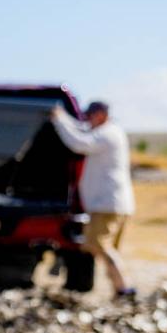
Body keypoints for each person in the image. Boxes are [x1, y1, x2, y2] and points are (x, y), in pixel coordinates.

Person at [49, 101, 136, 296]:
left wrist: (58, 120)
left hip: (107, 204)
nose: (87, 121)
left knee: (98, 245)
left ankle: (125, 287)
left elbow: (80, 143)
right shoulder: (109, 132)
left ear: (101, 115)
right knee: (105, 248)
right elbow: (82, 130)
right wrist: (63, 118)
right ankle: (120, 289)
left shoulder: (108, 134)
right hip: (111, 203)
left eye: (90, 116)